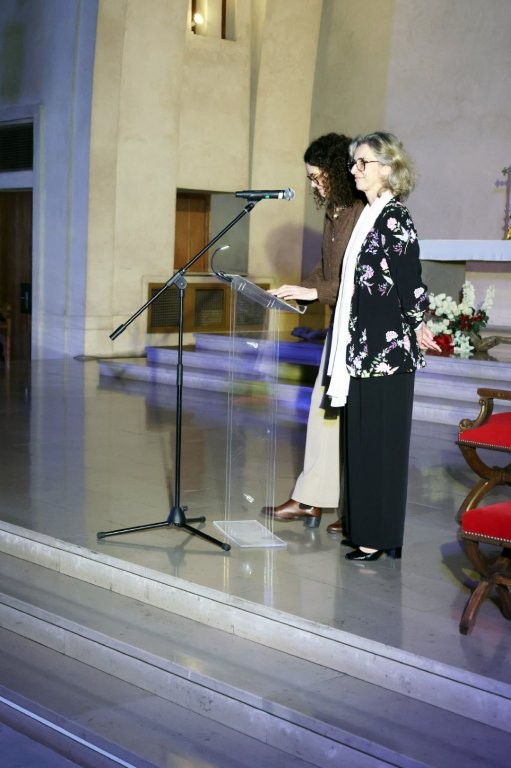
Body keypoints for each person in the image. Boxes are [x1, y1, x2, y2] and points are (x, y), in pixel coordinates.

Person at [326, 131, 440, 561]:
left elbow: (409, 279)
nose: (355, 170)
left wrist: (419, 321)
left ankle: (379, 536)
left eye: (363, 163)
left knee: (381, 445)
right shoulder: (370, 215)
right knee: (362, 443)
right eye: (353, 163)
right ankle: (367, 530)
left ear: (388, 168)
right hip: (363, 348)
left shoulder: (394, 218)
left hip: (386, 353)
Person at [263, 133, 364, 529]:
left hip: (362, 329)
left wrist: (313, 291)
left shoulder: (362, 209)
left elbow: (361, 280)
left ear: (336, 170)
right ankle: (311, 499)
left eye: (316, 176)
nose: (313, 185)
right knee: (325, 414)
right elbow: (326, 269)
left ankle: (356, 509)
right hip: (338, 325)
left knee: (353, 420)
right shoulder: (335, 211)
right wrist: (295, 292)